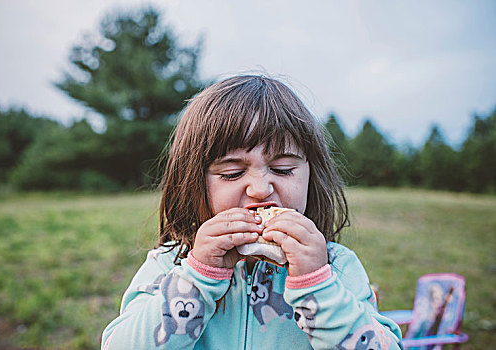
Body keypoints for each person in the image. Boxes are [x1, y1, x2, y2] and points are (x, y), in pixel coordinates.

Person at [101, 75, 403, 349]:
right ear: (194, 183)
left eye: (283, 170)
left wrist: (317, 286)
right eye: (232, 173)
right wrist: (199, 276)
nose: (260, 189)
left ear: (312, 176)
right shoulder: (170, 264)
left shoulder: (335, 266)